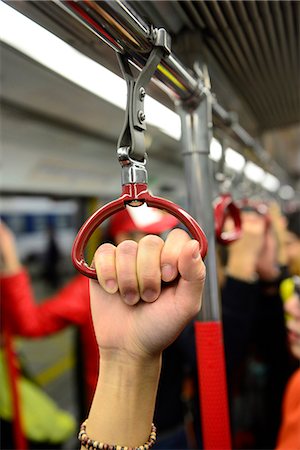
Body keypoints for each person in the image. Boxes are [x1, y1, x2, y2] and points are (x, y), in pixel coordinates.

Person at [1, 207, 201, 447]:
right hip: (112, 421)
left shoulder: (172, 280)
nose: (156, 244)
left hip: (171, 419)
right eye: (144, 236)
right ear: (122, 239)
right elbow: (30, 324)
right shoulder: (93, 288)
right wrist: (10, 258)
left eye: (158, 236)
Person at [78, 227, 206, 449]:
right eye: (131, 235)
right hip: (114, 411)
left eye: (150, 235)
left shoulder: (170, 282)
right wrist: (125, 359)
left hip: (172, 420)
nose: (140, 245)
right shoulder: (94, 282)